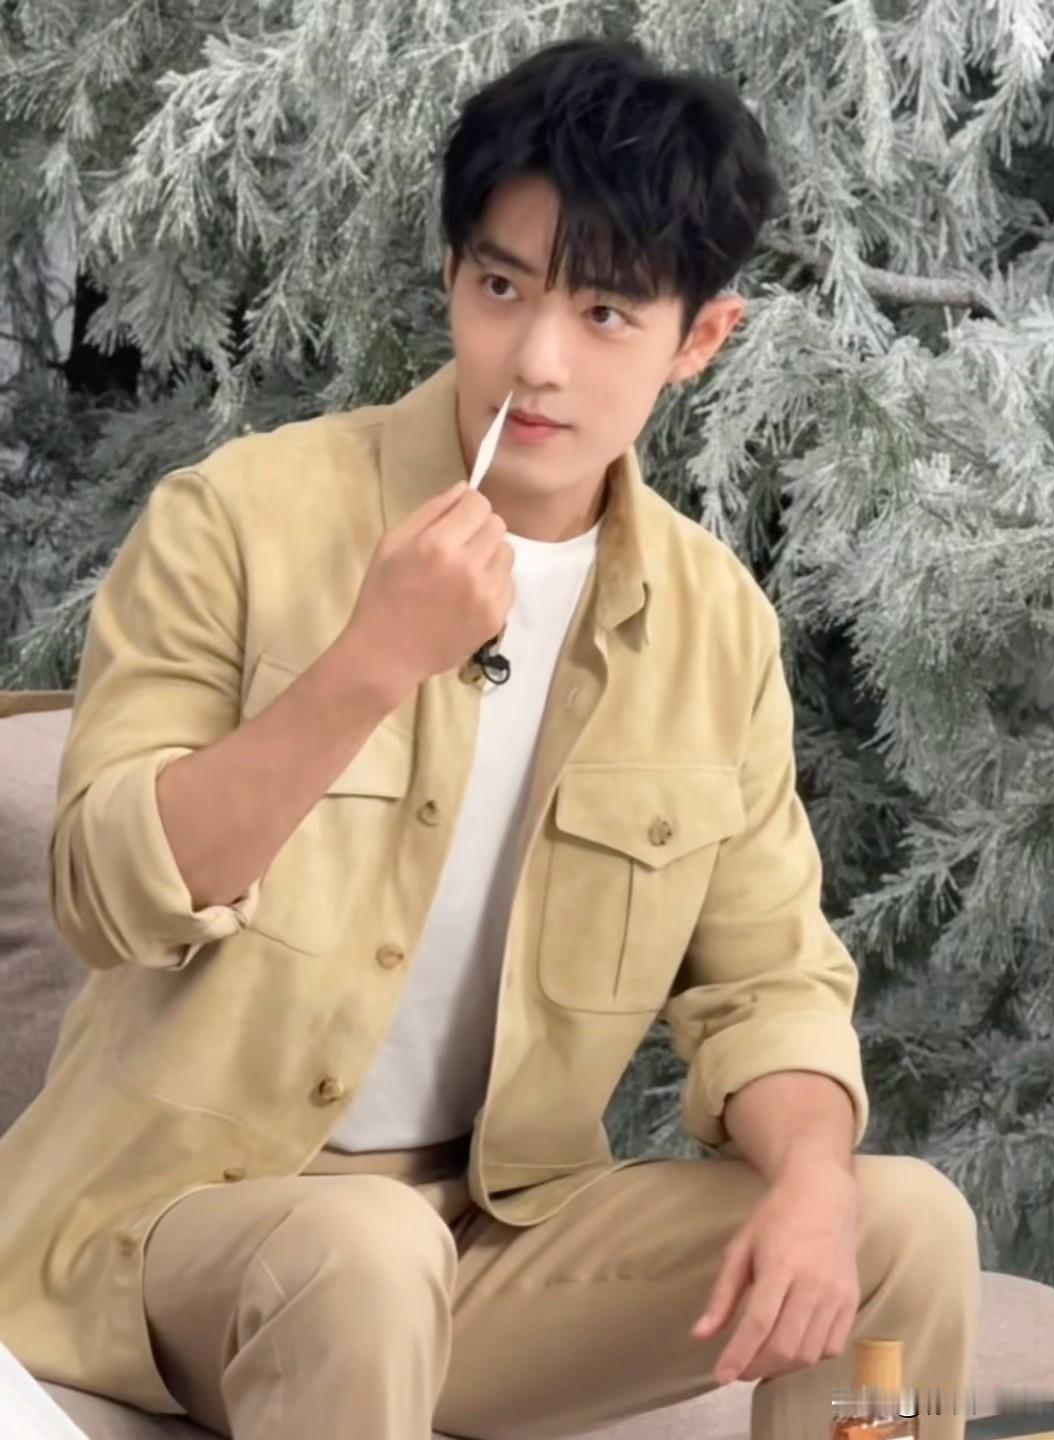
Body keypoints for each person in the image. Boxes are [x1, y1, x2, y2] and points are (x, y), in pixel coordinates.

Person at [0, 35, 980, 1440]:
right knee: (364, 1255)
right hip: (168, 1237)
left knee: (907, 1227)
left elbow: (766, 983)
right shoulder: (237, 521)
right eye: (502, 287)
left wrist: (817, 1182)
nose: (536, 359)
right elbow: (109, 892)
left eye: (606, 312)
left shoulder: (714, 626)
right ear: (453, 276)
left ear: (699, 341)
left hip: (493, 1248)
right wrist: (367, 664)